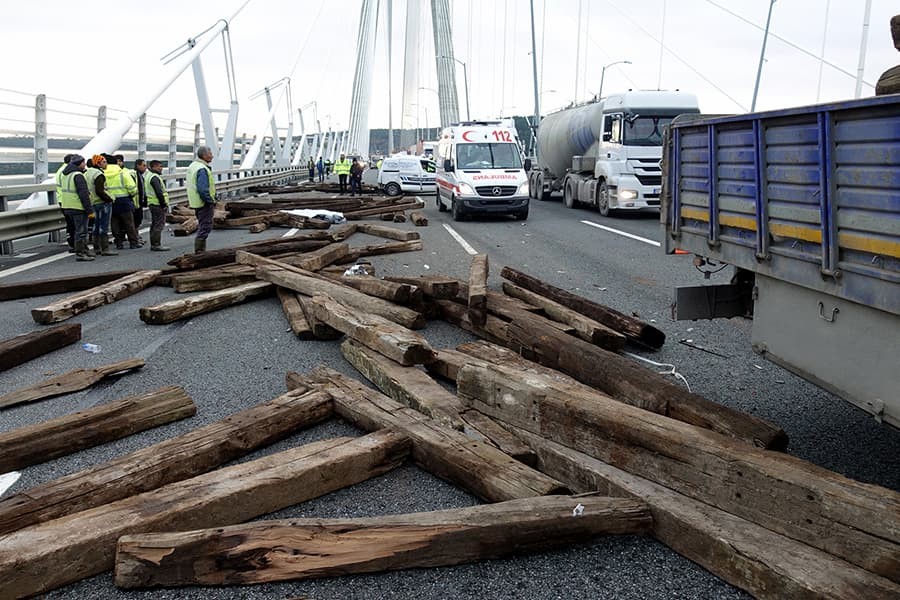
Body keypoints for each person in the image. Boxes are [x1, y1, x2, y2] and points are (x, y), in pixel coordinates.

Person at [58, 155, 94, 261]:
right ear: (79, 163)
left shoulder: (65, 174)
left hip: (67, 206)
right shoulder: (78, 175)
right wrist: (89, 210)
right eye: (83, 163)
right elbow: (83, 194)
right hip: (78, 207)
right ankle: (80, 253)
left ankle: (84, 250)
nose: (85, 165)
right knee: (81, 231)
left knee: (77, 230)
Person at [104, 153, 141, 249]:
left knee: (115, 223)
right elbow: (132, 188)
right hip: (124, 200)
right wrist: (132, 194)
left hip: (110, 201)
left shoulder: (103, 173)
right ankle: (133, 242)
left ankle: (119, 243)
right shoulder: (122, 172)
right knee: (129, 223)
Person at [187, 146, 217, 253]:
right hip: (203, 203)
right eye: (210, 153)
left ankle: (200, 250)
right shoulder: (202, 169)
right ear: (204, 156)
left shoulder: (193, 166)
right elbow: (203, 189)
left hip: (195, 202)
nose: (212, 156)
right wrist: (211, 200)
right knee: (205, 226)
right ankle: (199, 252)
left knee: (202, 225)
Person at [88, 154, 117, 256]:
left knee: (95, 226)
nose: (106, 164)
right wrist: (109, 199)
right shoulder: (99, 174)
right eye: (104, 162)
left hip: (92, 202)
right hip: (102, 203)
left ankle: (96, 248)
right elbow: (100, 191)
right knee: (103, 226)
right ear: (98, 163)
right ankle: (105, 248)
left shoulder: (87, 172)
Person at [144, 160, 170, 251]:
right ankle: (156, 244)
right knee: (159, 224)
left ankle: (153, 243)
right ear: (154, 167)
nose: (161, 168)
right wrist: (163, 204)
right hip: (158, 204)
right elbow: (159, 192)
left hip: (152, 203)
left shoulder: (148, 176)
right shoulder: (155, 177)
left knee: (154, 224)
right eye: (159, 166)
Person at [56, 154, 76, 252]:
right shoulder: (67, 171)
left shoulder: (60, 170)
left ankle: (72, 243)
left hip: (62, 200)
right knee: (73, 224)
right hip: (68, 200)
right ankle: (74, 243)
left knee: (70, 223)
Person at [133, 159, 148, 232]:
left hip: (138, 203)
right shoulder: (135, 175)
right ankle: (135, 237)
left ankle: (136, 236)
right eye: (144, 165)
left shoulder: (140, 176)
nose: (145, 168)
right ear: (138, 166)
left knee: (137, 220)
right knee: (136, 221)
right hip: (136, 203)